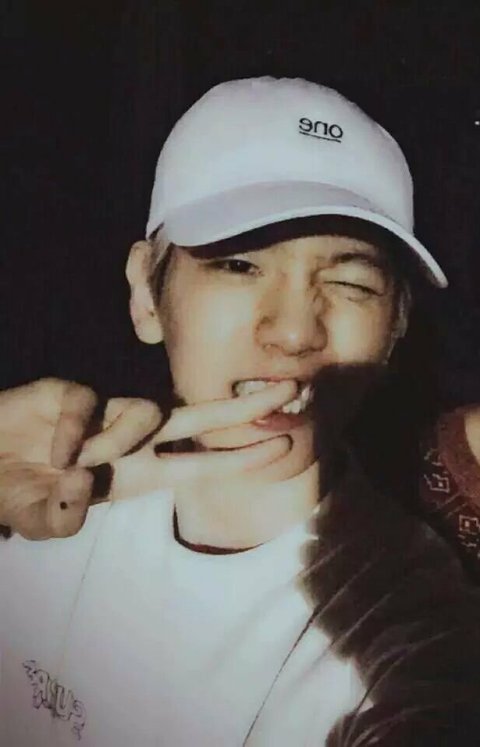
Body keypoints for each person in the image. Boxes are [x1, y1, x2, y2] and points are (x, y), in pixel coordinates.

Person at [2, 77, 480, 746]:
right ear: (146, 294)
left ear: (395, 329)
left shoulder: (409, 626)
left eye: (351, 282)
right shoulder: (41, 491)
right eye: (238, 265)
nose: (295, 331)